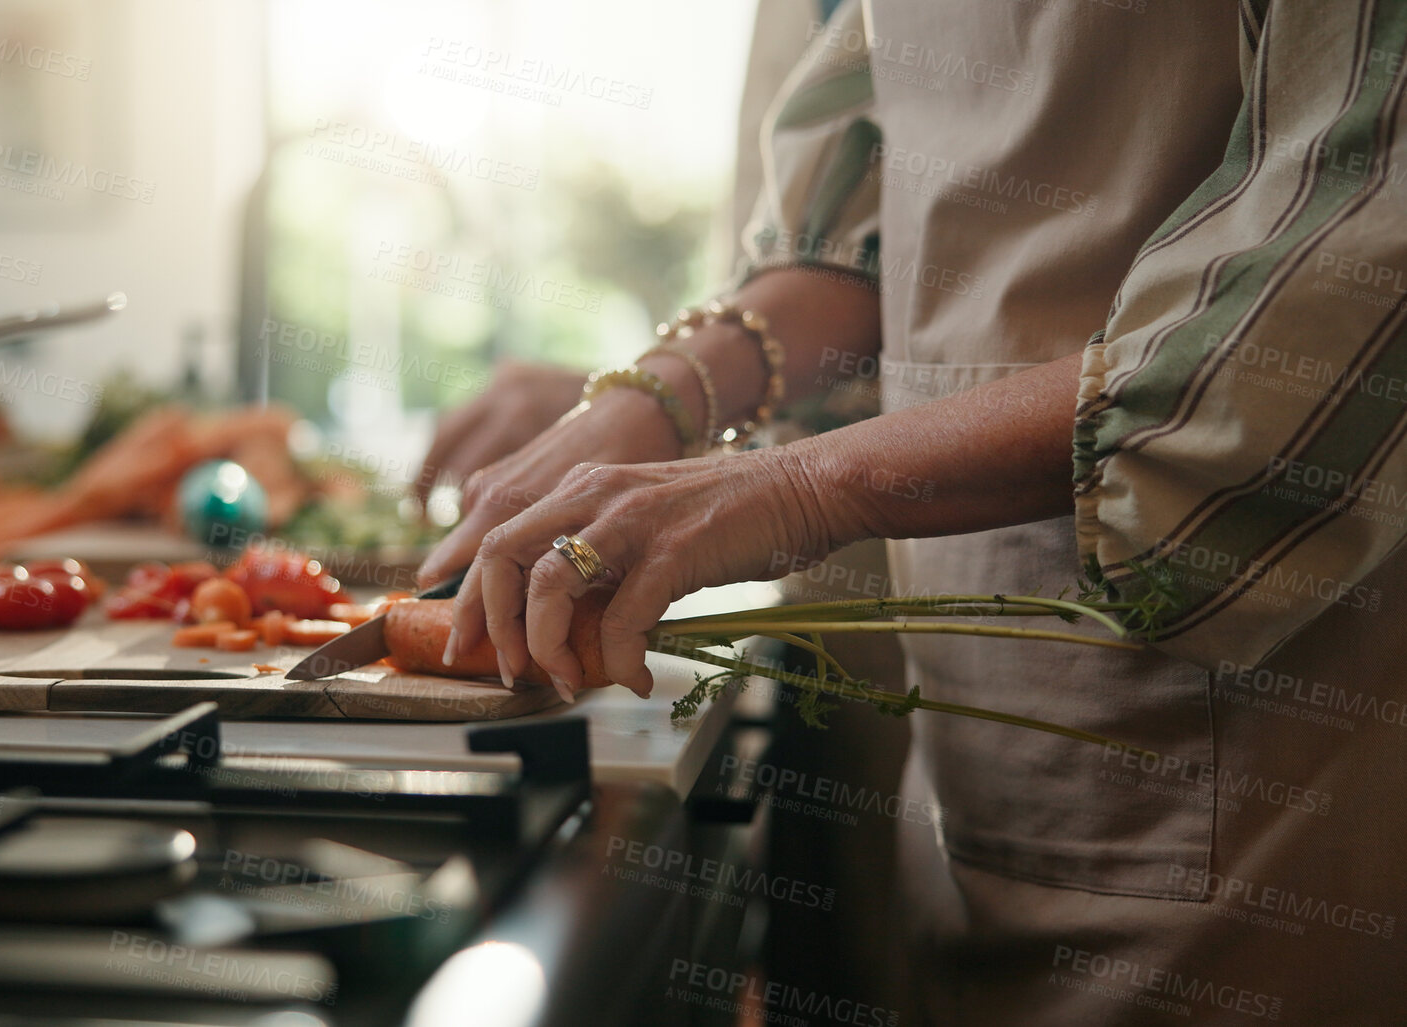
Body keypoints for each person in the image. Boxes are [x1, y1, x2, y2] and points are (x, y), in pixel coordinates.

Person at [415, 1, 1407, 1022]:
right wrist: (659, 394)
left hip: (1246, 779)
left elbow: (1328, 305)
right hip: (960, 754)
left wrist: (798, 485)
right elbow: (865, 218)